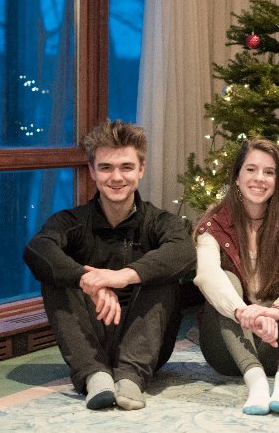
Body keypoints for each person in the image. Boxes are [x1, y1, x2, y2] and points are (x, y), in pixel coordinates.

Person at [23, 119, 195, 411]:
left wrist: (122, 277)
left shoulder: (161, 222)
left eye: (126, 167)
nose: (116, 177)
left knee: (162, 273)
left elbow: (185, 253)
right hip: (92, 340)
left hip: (148, 345)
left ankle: (131, 377)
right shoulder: (72, 221)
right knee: (55, 274)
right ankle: (95, 376)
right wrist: (86, 281)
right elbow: (37, 250)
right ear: (92, 171)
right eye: (106, 168)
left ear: (141, 169)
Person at [193, 138, 279, 416]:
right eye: (251, 170)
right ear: (237, 176)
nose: (260, 179)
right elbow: (207, 277)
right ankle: (255, 384)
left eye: (269, 172)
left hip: (278, 347)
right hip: (228, 350)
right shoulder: (214, 225)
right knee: (224, 282)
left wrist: (277, 311)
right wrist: (244, 312)